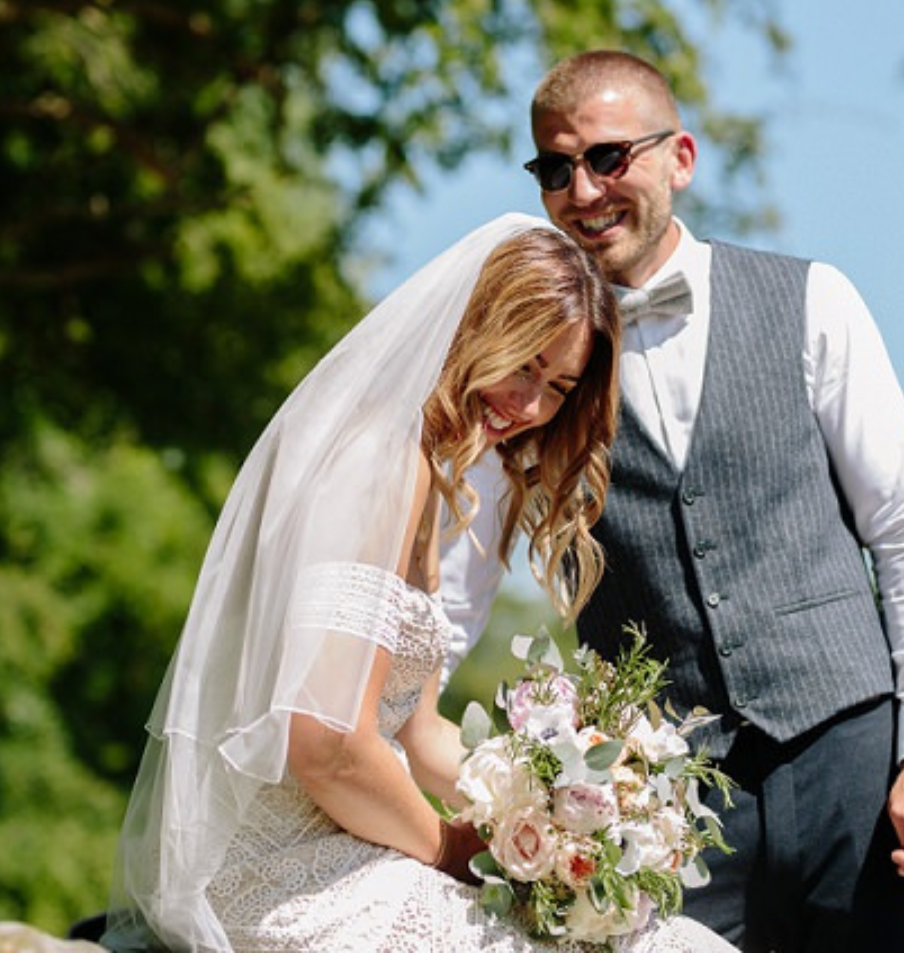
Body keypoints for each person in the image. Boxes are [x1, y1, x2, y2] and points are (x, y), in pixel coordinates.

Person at [440, 51, 904, 952]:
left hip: (850, 761)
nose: (583, 190)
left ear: (679, 158)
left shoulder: (814, 302)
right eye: (555, 169)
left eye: (609, 157)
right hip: (657, 809)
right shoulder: (526, 370)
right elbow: (457, 584)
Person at [101, 213, 737, 953]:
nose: (531, 406)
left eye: (560, 386)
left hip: (351, 841)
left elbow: (419, 730)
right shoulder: (381, 459)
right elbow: (327, 741)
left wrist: (560, 808)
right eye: (525, 363)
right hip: (289, 874)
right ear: (477, 323)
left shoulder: (429, 473)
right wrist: (452, 852)